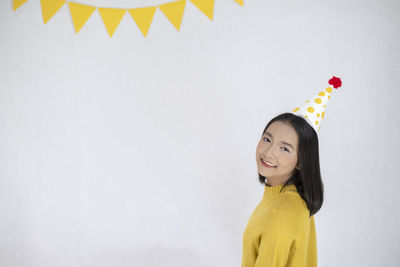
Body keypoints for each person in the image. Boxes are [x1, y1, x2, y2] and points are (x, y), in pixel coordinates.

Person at [241, 112, 321, 267]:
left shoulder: (281, 212)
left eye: (284, 148)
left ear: (301, 161)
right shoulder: (294, 199)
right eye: (267, 139)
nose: (269, 152)